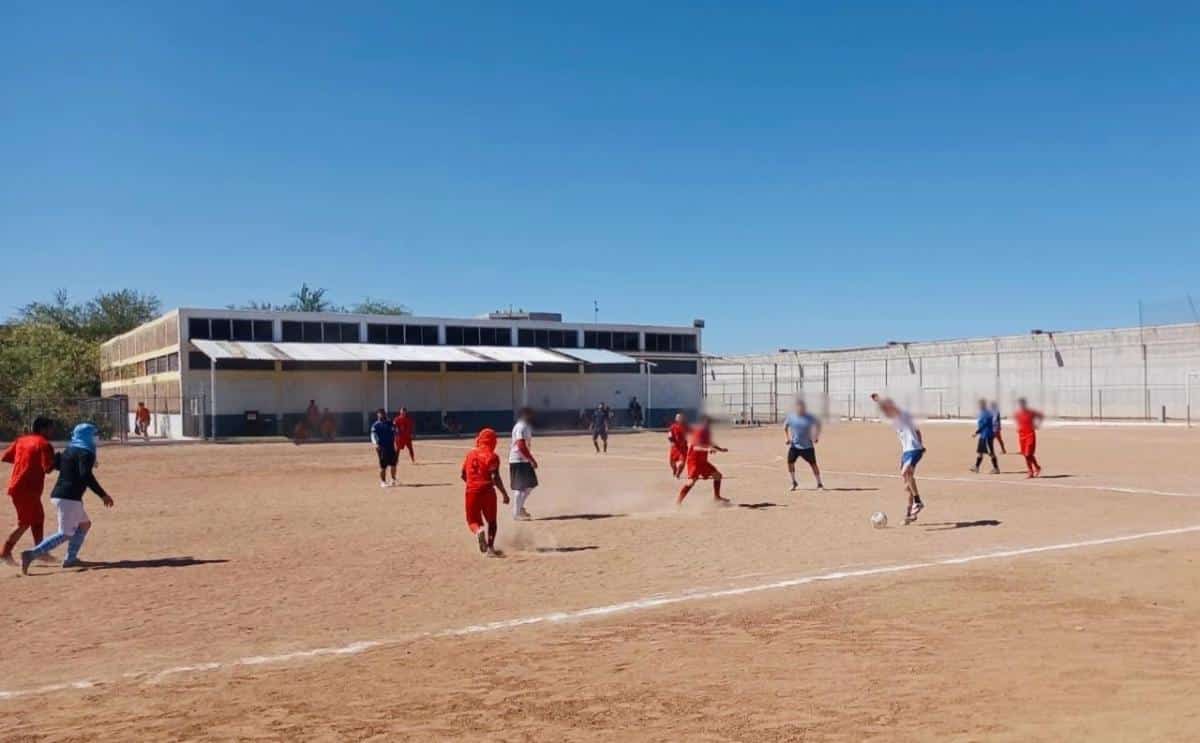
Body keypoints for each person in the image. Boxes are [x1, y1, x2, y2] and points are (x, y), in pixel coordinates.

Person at [21, 423, 114, 573]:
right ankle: (31, 554)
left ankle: (70, 559)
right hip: (69, 498)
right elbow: (85, 475)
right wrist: (103, 494)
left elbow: (58, 465)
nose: (95, 438)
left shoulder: (69, 450)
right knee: (65, 533)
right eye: (93, 434)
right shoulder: (86, 453)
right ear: (87, 436)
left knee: (84, 525)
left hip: (62, 495)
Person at [2, 417, 57, 565]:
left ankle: (40, 551)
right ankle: (4, 553)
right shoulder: (44, 444)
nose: (53, 431)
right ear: (43, 429)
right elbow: (48, 468)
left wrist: (26, 461)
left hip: (19, 486)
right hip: (28, 489)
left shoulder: (21, 440)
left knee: (38, 518)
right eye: (51, 428)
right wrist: (58, 460)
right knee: (24, 522)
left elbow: (6, 457)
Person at [871, 394, 926, 525]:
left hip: (914, 449)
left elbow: (894, 408)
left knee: (906, 472)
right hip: (906, 452)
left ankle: (918, 502)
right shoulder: (896, 421)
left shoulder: (902, 414)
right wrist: (921, 442)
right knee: (907, 486)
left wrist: (879, 400)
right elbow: (917, 431)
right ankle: (909, 515)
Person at [461, 427, 509, 557]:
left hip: (472, 491)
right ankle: (491, 548)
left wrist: (472, 483)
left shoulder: (470, 454)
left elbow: (463, 475)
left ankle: (479, 531)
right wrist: (504, 493)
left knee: (472, 521)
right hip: (488, 491)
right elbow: (495, 477)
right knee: (492, 522)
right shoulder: (493, 456)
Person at [677, 416, 729, 506]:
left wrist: (720, 449)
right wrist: (708, 450)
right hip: (694, 461)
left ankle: (717, 497)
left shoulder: (706, 431)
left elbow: (710, 442)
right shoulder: (699, 431)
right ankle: (678, 502)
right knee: (691, 482)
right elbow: (695, 447)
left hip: (702, 461)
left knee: (718, 476)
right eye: (708, 422)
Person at [783, 400, 823, 490]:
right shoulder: (791, 417)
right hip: (795, 446)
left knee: (813, 464)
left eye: (801, 407)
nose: (800, 409)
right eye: (798, 407)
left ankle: (819, 483)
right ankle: (794, 482)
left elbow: (818, 425)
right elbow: (785, 427)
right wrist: (787, 438)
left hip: (807, 446)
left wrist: (815, 436)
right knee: (790, 463)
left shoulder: (809, 417)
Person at [509, 407, 539, 520]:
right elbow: (521, 445)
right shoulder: (521, 426)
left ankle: (519, 508)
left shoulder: (525, 426)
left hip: (523, 460)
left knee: (530, 485)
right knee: (520, 487)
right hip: (519, 460)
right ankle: (516, 513)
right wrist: (531, 459)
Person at [1013, 398, 1044, 478]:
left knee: (1028, 454)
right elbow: (1019, 422)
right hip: (1021, 436)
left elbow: (1041, 416)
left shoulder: (1031, 412)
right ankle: (1037, 467)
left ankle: (1030, 471)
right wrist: (1019, 428)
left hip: (1030, 435)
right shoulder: (1017, 414)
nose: (1021, 405)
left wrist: (1037, 425)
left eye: (1023, 403)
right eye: (1020, 404)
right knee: (1026, 454)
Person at [370, 409, 398, 488]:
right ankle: (383, 482)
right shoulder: (376, 425)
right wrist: (375, 444)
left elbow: (396, 432)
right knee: (383, 466)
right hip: (382, 448)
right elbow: (373, 435)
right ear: (377, 415)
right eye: (380, 414)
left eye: (383, 414)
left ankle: (393, 480)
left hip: (391, 446)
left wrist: (396, 441)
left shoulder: (390, 423)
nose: (382, 415)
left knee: (393, 464)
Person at [971, 399, 1000, 474]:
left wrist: (976, 432)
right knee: (980, 451)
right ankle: (976, 467)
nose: (978, 406)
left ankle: (996, 468)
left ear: (983, 405)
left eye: (980, 404)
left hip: (987, 435)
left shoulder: (986, 413)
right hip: (983, 435)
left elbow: (984, 424)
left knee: (990, 452)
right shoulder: (983, 412)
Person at [667, 412, 689, 478]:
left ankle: (678, 473)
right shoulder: (672, 427)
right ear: (676, 419)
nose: (679, 418)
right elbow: (669, 436)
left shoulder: (686, 426)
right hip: (675, 447)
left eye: (681, 417)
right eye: (678, 417)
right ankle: (674, 469)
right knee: (671, 462)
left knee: (682, 462)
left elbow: (692, 434)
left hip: (683, 447)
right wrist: (672, 442)